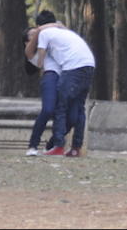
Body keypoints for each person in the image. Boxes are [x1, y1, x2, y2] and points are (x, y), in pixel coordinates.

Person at [25, 10, 95, 157]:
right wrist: (39, 31)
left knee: (73, 113)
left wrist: (53, 27)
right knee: (53, 109)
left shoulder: (53, 38)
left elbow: (66, 36)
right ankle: (39, 144)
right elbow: (33, 57)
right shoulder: (39, 45)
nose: (35, 35)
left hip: (70, 71)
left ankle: (64, 146)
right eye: (30, 36)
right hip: (58, 75)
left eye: (36, 32)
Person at [22, 27, 61, 156]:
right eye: (31, 36)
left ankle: (51, 145)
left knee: (69, 117)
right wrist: (41, 29)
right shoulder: (31, 53)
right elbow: (39, 33)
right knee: (48, 110)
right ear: (27, 42)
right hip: (50, 77)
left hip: (66, 77)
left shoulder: (51, 46)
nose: (38, 36)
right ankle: (33, 145)